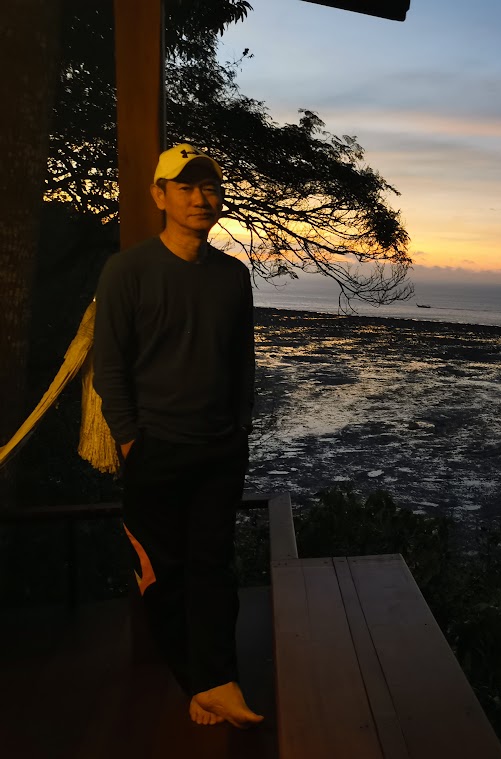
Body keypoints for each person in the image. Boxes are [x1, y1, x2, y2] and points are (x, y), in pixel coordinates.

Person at [94, 144, 262, 728]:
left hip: (219, 447)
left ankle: (217, 682)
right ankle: (202, 683)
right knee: (162, 576)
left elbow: (241, 361)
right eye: (185, 187)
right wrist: (130, 440)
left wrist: (240, 427)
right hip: (155, 448)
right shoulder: (127, 271)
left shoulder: (232, 275)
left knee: (213, 569)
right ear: (159, 196)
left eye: (208, 187)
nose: (199, 198)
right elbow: (110, 366)